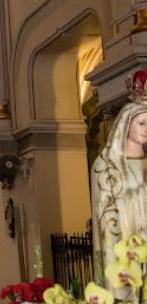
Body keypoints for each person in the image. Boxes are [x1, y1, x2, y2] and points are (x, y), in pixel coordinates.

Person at [92, 70, 147, 298]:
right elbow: (106, 218)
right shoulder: (105, 166)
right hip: (125, 243)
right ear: (126, 124)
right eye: (142, 123)